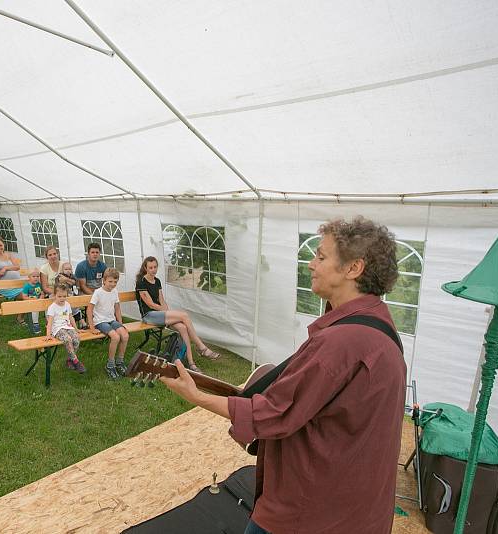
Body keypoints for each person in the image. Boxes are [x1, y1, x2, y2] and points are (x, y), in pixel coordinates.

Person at [160, 216, 406, 534]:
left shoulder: (341, 342)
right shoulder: (377, 324)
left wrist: (196, 395)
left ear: (353, 268)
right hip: (357, 508)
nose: (310, 264)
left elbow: (274, 413)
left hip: (311, 512)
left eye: (321, 256)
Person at [135, 256, 221, 373]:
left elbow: (162, 300)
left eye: (155, 267)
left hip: (160, 314)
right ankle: (201, 347)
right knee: (184, 315)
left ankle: (191, 363)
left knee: (183, 327)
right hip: (149, 316)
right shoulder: (141, 282)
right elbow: (150, 304)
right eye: (150, 267)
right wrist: (166, 312)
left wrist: (167, 311)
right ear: (145, 268)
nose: (153, 270)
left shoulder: (157, 281)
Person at [87, 268, 130, 380]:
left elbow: (117, 308)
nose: (113, 284)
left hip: (111, 320)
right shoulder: (98, 293)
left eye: (115, 282)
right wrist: (91, 327)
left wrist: (120, 323)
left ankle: (119, 362)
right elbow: (89, 309)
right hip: (100, 321)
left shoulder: (114, 292)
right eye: (110, 281)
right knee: (115, 337)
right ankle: (110, 365)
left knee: (125, 335)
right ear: (104, 280)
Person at [45, 284, 85, 374]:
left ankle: (69, 360)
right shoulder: (52, 307)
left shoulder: (67, 304)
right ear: (54, 295)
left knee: (76, 338)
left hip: (67, 326)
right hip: (57, 329)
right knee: (67, 339)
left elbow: (71, 317)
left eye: (64, 296)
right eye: (59, 296)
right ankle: (76, 362)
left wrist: (76, 329)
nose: (62, 298)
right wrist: (48, 334)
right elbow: (50, 322)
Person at [0, 236, 26, 325]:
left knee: (27, 294)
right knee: (25, 296)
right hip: (4, 286)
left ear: (4, 245)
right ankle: (20, 319)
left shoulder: (9, 255)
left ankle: (19, 317)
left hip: (17, 284)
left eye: (0, 245)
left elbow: (17, 267)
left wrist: (5, 268)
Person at [55, 262, 86, 329]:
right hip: (63, 295)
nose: (68, 270)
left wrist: (77, 287)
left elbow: (76, 282)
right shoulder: (60, 276)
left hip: (72, 295)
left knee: (75, 308)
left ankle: (82, 322)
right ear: (62, 270)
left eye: (69, 269)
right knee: (68, 309)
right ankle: (71, 323)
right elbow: (57, 283)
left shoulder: (73, 276)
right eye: (66, 269)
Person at [22, 269, 45, 335]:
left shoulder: (39, 284)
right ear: (29, 277)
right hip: (30, 303)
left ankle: (48, 323)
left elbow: (42, 293)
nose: (36, 278)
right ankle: (35, 324)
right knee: (34, 310)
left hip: (39, 301)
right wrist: (31, 299)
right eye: (34, 276)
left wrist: (41, 298)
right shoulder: (27, 286)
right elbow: (24, 297)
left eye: (37, 276)